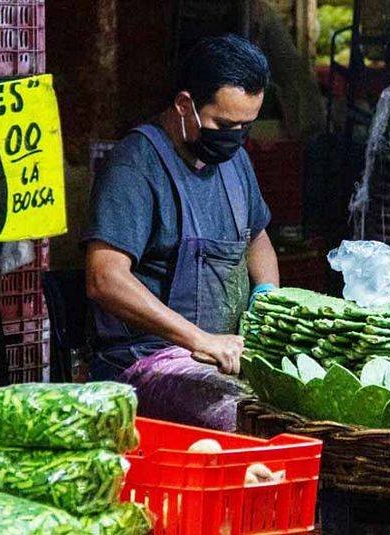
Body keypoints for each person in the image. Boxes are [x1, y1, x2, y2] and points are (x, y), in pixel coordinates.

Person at [83, 34, 280, 383]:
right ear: (184, 105)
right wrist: (199, 339)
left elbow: (257, 239)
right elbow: (105, 278)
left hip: (222, 352)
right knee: (230, 406)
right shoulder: (135, 165)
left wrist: (266, 298)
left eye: (245, 126)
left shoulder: (235, 161)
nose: (235, 137)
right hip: (144, 360)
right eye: (224, 125)